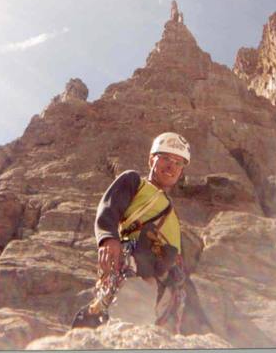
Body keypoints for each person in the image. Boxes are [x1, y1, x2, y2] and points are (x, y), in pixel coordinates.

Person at [72, 132, 207, 333]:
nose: (172, 166)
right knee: (131, 321)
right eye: (166, 159)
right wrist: (108, 239)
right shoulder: (134, 181)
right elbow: (109, 207)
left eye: (179, 163)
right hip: (135, 266)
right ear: (152, 159)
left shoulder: (170, 210)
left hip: (167, 281)